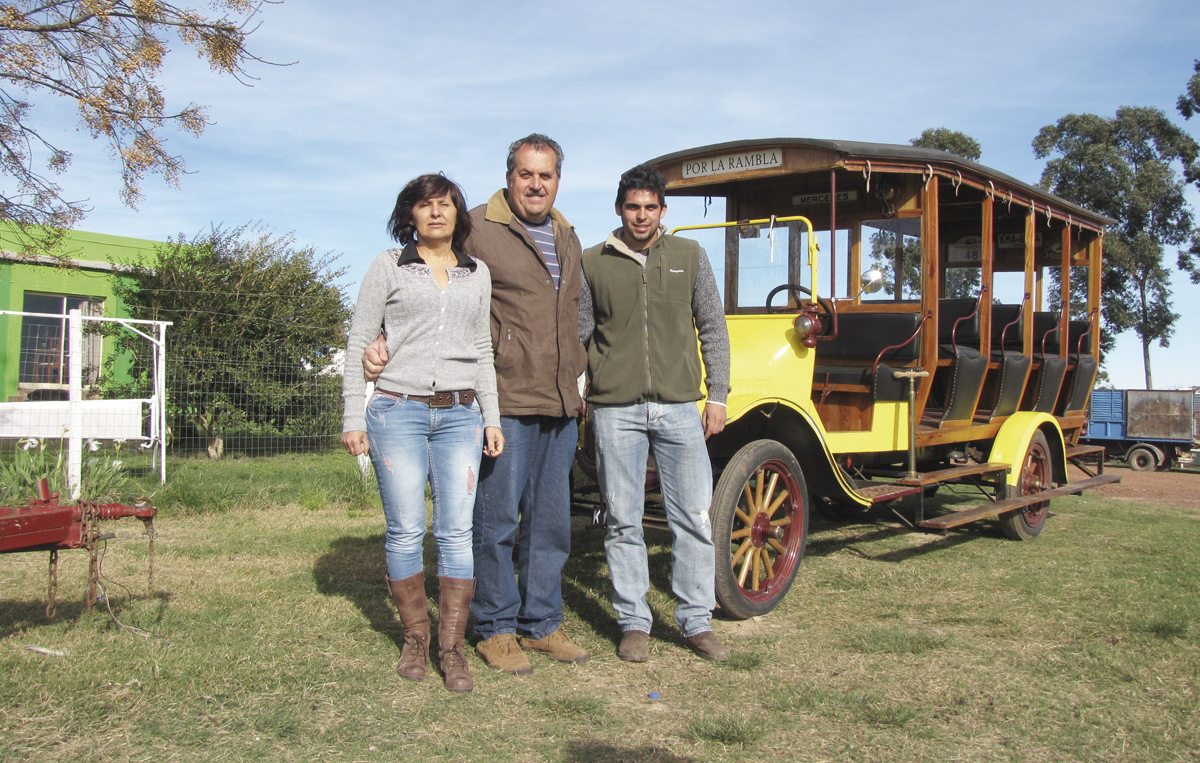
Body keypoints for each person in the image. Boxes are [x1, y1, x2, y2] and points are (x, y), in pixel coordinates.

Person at [364, 135, 589, 675]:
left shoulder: (567, 234)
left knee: (551, 522)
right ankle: (494, 627)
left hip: (559, 398)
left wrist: (578, 363)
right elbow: (423, 275)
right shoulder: (479, 227)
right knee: (493, 522)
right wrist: (381, 339)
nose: (536, 184)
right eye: (526, 174)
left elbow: (576, 308)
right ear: (509, 176)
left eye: (547, 175)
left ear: (558, 179)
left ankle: (541, 623)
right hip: (502, 394)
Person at [342, 174, 504, 693]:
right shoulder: (388, 266)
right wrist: (351, 416)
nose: (436, 213)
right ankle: (416, 638)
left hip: (461, 414)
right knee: (406, 529)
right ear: (409, 214)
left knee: (456, 531)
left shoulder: (477, 274)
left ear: (458, 214)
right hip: (397, 412)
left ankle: (452, 649)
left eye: (445, 204)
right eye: (425, 205)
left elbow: (482, 348)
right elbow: (358, 342)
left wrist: (492, 416)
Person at [578, 164, 732, 663]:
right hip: (614, 409)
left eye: (650, 208)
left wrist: (719, 395)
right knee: (624, 519)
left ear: (663, 212)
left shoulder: (690, 255)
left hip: (680, 407)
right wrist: (580, 390)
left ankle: (695, 620)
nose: (641, 216)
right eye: (632, 207)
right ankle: (634, 622)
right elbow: (580, 333)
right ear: (619, 210)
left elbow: (713, 326)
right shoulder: (592, 263)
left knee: (693, 516)